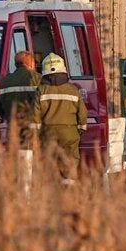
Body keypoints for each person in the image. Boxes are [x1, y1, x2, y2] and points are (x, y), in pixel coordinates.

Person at [34, 52, 88, 184]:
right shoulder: (72, 90)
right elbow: (82, 113)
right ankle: (69, 191)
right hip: (69, 132)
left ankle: (51, 190)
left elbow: (35, 115)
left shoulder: (41, 90)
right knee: (70, 162)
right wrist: (80, 129)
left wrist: (36, 134)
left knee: (49, 162)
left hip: (48, 133)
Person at [0, 51, 41, 147]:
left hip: (13, 128)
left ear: (15, 64)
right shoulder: (38, 79)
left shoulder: (4, 82)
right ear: (31, 63)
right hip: (33, 129)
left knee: (15, 156)